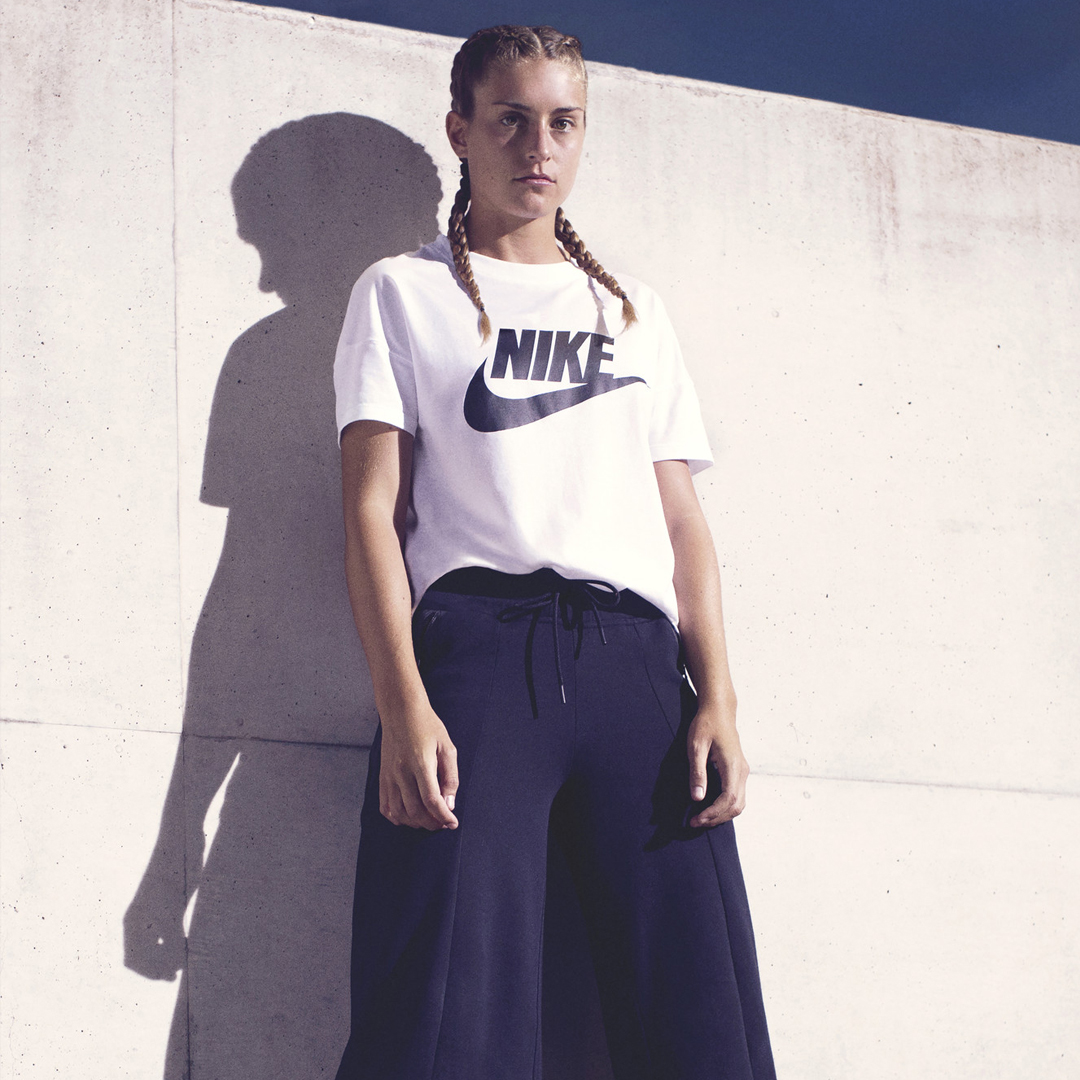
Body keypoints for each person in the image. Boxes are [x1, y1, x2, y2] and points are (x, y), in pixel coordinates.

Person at [332, 25, 775, 1080]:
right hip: (476, 660)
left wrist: (717, 696)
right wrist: (402, 703)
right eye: (511, 120)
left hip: (637, 667)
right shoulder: (401, 292)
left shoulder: (632, 311)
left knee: (699, 1002)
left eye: (563, 123)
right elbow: (369, 513)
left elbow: (683, 528)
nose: (539, 146)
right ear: (461, 131)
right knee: (445, 1005)